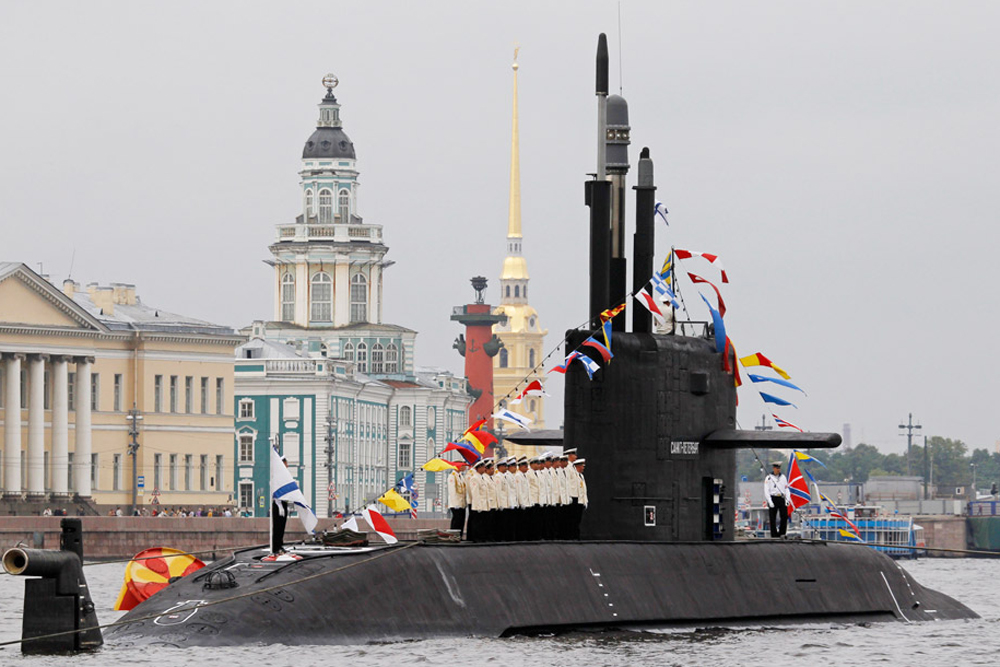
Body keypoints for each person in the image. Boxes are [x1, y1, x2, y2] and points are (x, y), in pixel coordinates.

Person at [764, 461, 792, 538]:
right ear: (773, 468)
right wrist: (769, 501)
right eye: (777, 468)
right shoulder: (769, 478)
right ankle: (774, 535)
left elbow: (787, 489)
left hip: (781, 498)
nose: (778, 470)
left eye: (779, 468)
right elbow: (766, 490)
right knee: (772, 517)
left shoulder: (783, 477)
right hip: (773, 498)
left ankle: (782, 533)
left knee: (784, 516)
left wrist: (787, 499)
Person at [446, 462, 468, 537]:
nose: (464, 467)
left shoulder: (461, 476)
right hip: (456, 503)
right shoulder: (452, 477)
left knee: (461, 521)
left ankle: (459, 536)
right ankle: (454, 536)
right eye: (463, 466)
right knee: (456, 521)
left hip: (462, 503)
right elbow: (452, 491)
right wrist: (455, 504)